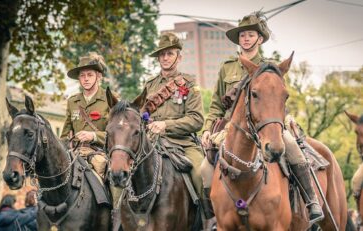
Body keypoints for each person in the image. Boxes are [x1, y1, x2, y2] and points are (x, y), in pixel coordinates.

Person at [200, 12, 324, 224]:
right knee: (204, 169)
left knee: (293, 149)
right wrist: (207, 129)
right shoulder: (227, 67)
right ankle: (212, 216)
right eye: (242, 35)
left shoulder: (269, 67)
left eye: (250, 35)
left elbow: (278, 100)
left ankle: (310, 201)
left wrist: (286, 119)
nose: (246, 39)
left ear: (259, 39)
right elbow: (216, 106)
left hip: (265, 125)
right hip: (230, 129)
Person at [136, 32, 214, 221]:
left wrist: (166, 125)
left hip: (183, 144)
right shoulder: (150, 85)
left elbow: (196, 120)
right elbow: (141, 116)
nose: (165, 58)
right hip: (152, 143)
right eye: (162, 54)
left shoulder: (189, 83)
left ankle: (209, 220)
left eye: (169, 54)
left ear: (179, 57)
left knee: (202, 174)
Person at [60, 52, 122, 225]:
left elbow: (119, 133)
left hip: (101, 152)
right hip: (75, 153)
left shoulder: (110, 99)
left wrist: (94, 135)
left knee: (112, 175)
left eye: (90, 75)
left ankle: (115, 215)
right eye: (82, 75)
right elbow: (65, 134)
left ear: (99, 76)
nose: (85, 79)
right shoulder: (73, 101)